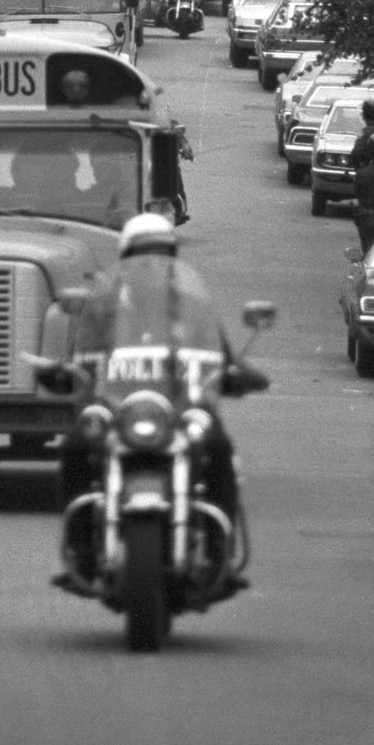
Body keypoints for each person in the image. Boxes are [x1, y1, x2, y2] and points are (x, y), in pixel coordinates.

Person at [50, 213, 256, 595]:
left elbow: (218, 348)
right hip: (119, 405)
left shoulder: (194, 297)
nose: (152, 262)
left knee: (219, 448)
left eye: (160, 253)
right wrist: (65, 370)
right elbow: (83, 346)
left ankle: (217, 553)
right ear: (128, 256)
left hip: (179, 406)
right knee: (77, 445)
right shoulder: (105, 299)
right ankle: (80, 549)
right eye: (146, 253)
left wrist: (237, 372)